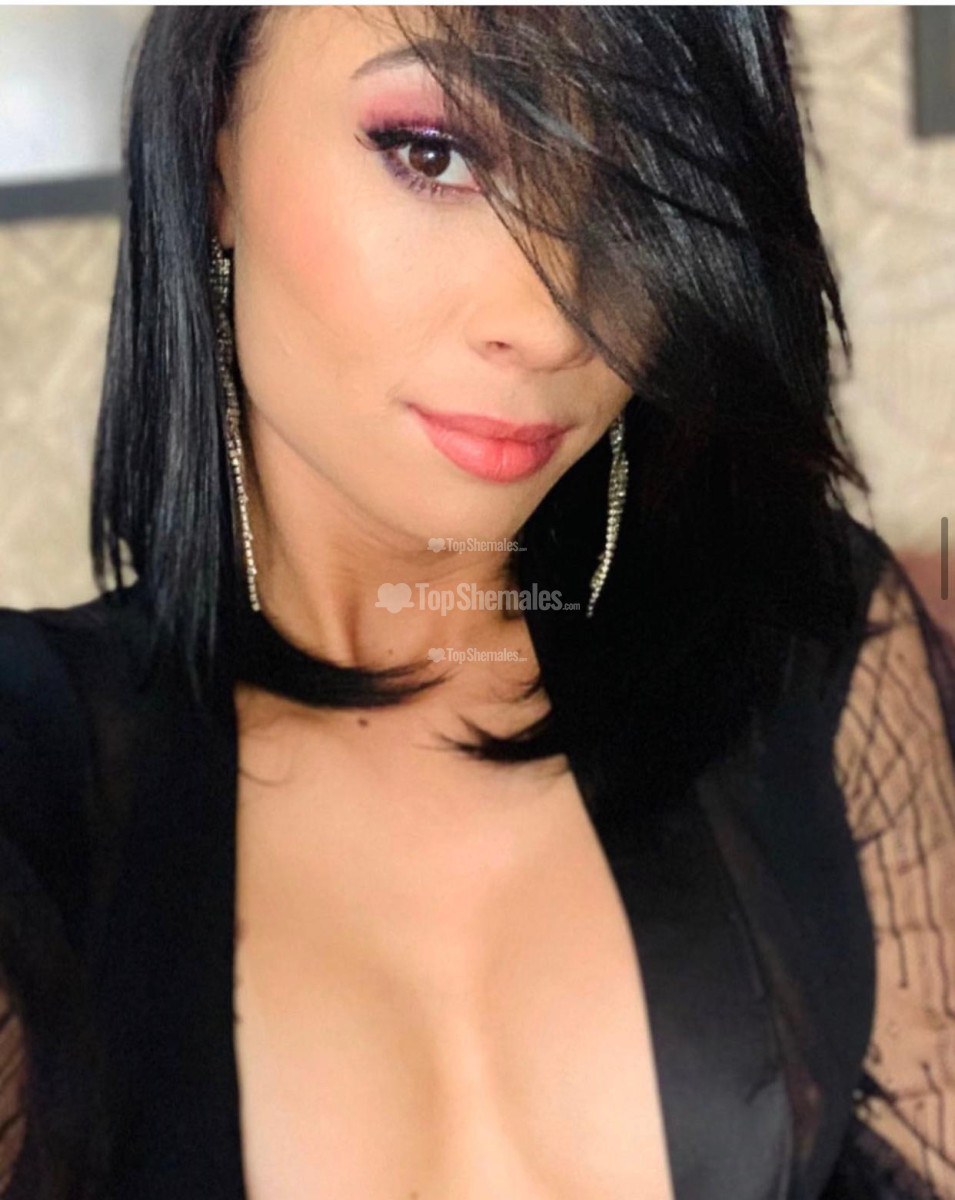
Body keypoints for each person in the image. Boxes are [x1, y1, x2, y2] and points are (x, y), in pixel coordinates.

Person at [1, 6, 954, 1198]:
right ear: (214, 155)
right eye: (433, 152)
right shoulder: (28, 772)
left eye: (642, 198)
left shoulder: (807, 649)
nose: (553, 322)